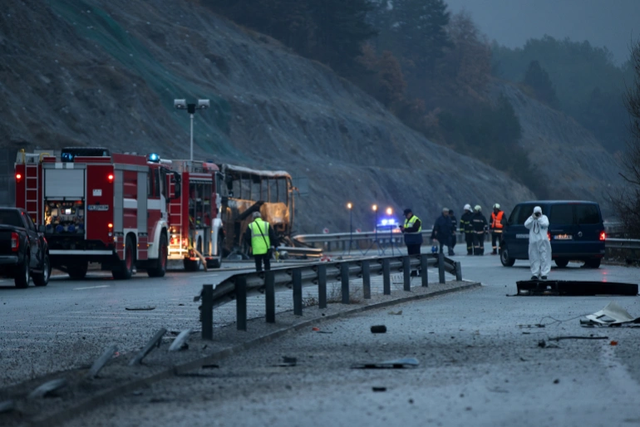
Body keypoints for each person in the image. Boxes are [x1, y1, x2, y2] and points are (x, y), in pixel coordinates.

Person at [524, 206, 552, 280]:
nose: (537, 214)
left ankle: (544, 273)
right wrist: (532, 218)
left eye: (538, 213)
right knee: (534, 257)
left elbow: (546, 224)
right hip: (533, 242)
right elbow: (526, 225)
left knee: (544, 257)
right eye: (536, 213)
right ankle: (535, 273)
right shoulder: (532, 219)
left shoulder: (544, 218)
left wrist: (539, 219)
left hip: (543, 241)